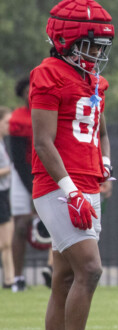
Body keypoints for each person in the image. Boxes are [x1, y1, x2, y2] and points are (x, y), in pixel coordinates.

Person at [27, 0, 115, 330]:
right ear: (65, 40)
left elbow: (101, 131)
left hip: (88, 184)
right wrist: (70, 190)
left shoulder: (95, 81)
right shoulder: (47, 74)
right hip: (58, 185)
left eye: (100, 46)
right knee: (90, 270)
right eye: (90, 45)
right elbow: (43, 141)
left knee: (64, 277)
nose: (96, 54)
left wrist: (106, 163)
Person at [7, 77, 54, 291]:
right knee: (21, 224)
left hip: (48, 170)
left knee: (58, 221)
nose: (30, 94)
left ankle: (55, 271)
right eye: (27, 90)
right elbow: (17, 159)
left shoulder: (50, 114)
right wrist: (32, 189)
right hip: (23, 172)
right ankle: (18, 277)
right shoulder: (19, 118)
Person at [0, 107, 15, 289]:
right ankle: (10, 279)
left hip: (5, 193)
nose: (9, 126)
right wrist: (9, 169)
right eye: (6, 122)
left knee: (7, 243)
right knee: (5, 242)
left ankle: (10, 279)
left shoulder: (3, 143)